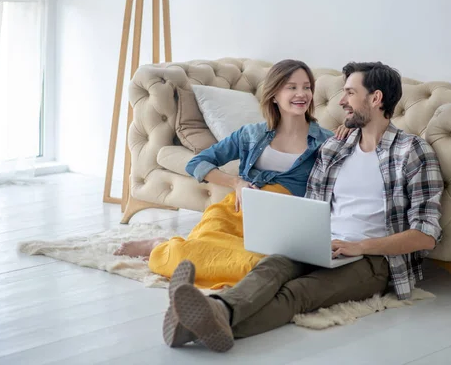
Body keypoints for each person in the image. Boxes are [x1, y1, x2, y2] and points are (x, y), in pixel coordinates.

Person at [163, 61, 445, 353]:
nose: (341, 101)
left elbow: (426, 234)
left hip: (373, 260)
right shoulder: (335, 148)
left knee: (298, 293)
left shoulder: (412, 151)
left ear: (375, 99)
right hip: (321, 242)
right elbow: (311, 204)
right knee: (269, 268)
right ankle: (212, 314)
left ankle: (206, 323)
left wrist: (361, 246)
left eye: (349, 93)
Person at [114, 59, 347, 314]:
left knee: (259, 265)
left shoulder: (325, 141)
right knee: (208, 245)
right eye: (291, 87)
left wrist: (352, 133)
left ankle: (168, 249)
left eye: (306, 87)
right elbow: (197, 163)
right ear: (274, 95)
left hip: (280, 224)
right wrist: (235, 182)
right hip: (235, 211)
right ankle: (159, 247)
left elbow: (348, 180)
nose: (301, 94)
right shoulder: (251, 134)